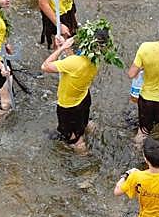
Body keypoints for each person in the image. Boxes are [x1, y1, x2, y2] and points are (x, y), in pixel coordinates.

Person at [41, 21, 114, 150]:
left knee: (75, 139)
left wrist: (62, 49)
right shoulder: (95, 60)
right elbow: (76, 62)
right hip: (84, 98)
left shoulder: (74, 63)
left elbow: (45, 66)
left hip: (69, 107)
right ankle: (88, 128)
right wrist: (65, 46)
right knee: (84, 123)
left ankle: (84, 164)